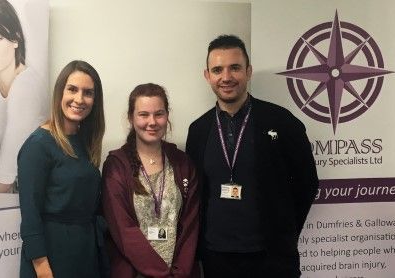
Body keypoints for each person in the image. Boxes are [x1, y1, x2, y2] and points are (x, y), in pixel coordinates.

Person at [185, 35, 319, 277]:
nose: (226, 77)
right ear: (207, 76)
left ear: (248, 71)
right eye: (217, 70)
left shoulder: (282, 122)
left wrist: (283, 233)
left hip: (272, 259)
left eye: (234, 68)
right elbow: (196, 195)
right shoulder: (198, 130)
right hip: (217, 258)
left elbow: (307, 184)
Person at [18, 60, 107, 277]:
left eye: (88, 93)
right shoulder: (38, 145)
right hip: (51, 257)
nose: (79, 99)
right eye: (72, 89)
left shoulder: (85, 142)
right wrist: (42, 268)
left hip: (85, 252)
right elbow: (30, 215)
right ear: (60, 92)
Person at [102, 83, 200, 278]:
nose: (152, 121)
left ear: (167, 116)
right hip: (133, 273)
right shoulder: (116, 166)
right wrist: (162, 274)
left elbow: (190, 225)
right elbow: (124, 230)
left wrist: (178, 273)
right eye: (144, 114)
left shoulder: (183, 164)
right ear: (131, 117)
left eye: (159, 114)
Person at [0, 0, 49, 193]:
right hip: (15, 196)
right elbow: (1, 166)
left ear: (15, 39)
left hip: (40, 202)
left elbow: (3, 177)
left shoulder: (27, 87)